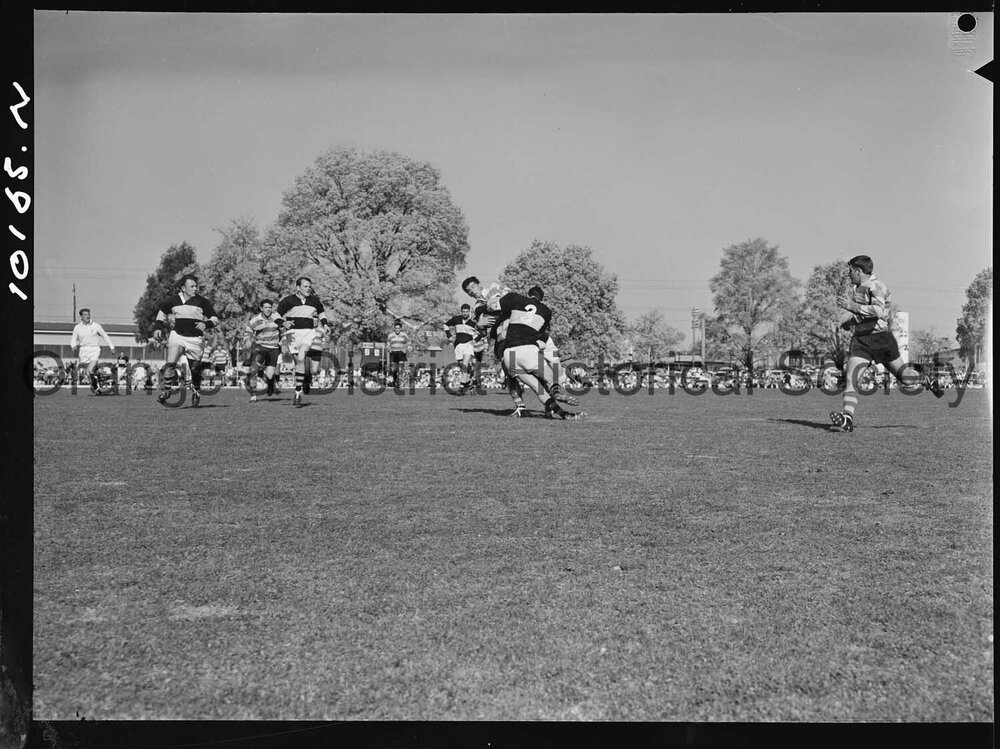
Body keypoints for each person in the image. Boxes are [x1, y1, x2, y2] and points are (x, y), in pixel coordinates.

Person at [830, 255, 943, 432]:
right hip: (861, 340)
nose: (848, 274)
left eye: (850, 270)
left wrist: (851, 306)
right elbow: (864, 315)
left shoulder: (876, 286)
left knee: (906, 378)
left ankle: (925, 379)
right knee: (851, 378)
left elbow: (877, 310)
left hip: (881, 339)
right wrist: (850, 322)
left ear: (858, 271)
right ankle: (847, 419)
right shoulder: (857, 288)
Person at [490, 284, 583, 420]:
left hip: (509, 355)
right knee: (551, 378)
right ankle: (556, 392)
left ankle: (565, 415)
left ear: (528, 295)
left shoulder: (505, 312)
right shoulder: (533, 312)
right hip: (526, 351)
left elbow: (493, 331)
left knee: (538, 389)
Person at [151, 275, 221, 407]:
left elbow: (215, 318)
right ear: (183, 288)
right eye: (192, 286)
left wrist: (206, 324)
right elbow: (162, 313)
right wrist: (158, 327)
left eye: (196, 286)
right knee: (170, 364)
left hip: (195, 339)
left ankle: (196, 390)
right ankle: (167, 392)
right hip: (178, 335)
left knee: (194, 369)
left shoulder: (202, 302)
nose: (195, 289)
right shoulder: (172, 300)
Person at [276, 276, 331, 407]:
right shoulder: (288, 301)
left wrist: (325, 324)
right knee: (298, 363)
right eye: (305, 286)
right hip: (291, 334)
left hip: (307, 332)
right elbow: (276, 315)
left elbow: (321, 312)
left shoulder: (314, 301)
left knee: (301, 357)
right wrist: (283, 322)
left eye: (309, 286)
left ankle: (297, 391)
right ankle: (300, 387)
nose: (308, 289)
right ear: (298, 287)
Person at [244, 299, 284, 402]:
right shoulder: (254, 320)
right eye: (266, 307)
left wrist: (283, 342)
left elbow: (283, 331)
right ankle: (253, 395)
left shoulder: (277, 318)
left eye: (270, 307)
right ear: (261, 308)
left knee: (269, 375)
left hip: (273, 349)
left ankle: (271, 385)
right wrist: (247, 340)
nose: (268, 309)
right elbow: (248, 332)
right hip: (260, 347)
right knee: (253, 370)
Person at [70, 308, 116, 395]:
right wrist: (73, 346)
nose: (87, 316)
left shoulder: (96, 325)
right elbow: (73, 338)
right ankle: (97, 382)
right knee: (88, 372)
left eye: (88, 314)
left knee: (90, 369)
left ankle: (96, 385)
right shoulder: (77, 327)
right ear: (81, 317)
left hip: (94, 349)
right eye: (85, 314)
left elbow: (105, 335)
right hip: (83, 350)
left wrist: (112, 347)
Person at [443, 303, 478, 395]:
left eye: (467, 311)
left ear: (469, 312)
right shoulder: (456, 319)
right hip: (458, 345)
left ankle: (461, 387)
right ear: (461, 311)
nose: (465, 313)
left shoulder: (473, 322)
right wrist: (449, 336)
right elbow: (445, 325)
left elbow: (483, 332)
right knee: (461, 366)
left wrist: (476, 340)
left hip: (468, 345)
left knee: (465, 365)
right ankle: (470, 383)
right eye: (463, 311)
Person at [386, 320, 410, 388]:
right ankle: (395, 377)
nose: (397, 329)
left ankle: (399, 382)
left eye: (398, 328)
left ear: (400, 328)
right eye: (396, 328)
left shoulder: (404, 335)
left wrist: (407, 349)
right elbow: (388, 344)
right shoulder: (390, 335)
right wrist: (388, 349)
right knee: (393, 369)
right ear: (394, 328)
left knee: (400, 368)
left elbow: (408, 342)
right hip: (393, 352)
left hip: (401, 352)